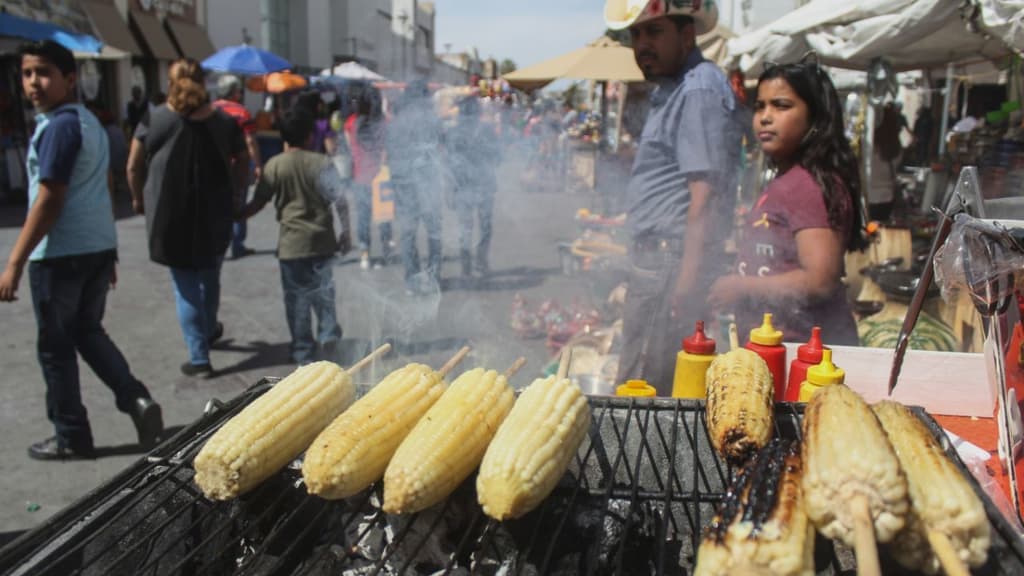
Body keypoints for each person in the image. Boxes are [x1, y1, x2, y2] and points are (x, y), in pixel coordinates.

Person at [0, 41, 162, 460]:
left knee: (55, 347)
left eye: (44, 73)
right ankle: (137, 399)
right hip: (94, 248)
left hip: (59, 255)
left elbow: (50, 198)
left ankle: (72, 435)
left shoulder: (58, 127)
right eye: (27, 73)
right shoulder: (88, 121)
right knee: (88, 332)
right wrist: (108, 249)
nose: (33, 82)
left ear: (70, 79)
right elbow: (105, 186)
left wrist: (14, 263)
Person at [604, 0, 742, 394]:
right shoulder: (676, 86)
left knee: (643, 386)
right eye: (635, 35)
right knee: (642, 376)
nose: (641, 44)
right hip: (661, 260)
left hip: (671, 261)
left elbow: (705, 195)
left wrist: (685, 280)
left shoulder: (697, 87)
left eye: (654, 31)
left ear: (687, 35)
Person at [708, 59, 867, 346]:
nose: (765, 117)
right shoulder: (788, 179)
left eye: (781, 106)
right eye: (760, 106)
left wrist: (741, 287)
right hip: (779, 348)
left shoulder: (808, 185)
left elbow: (819, 280)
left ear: (815, 118)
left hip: (803, 357)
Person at [127, 59, 248, 378]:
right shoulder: (224, 121)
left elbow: (132, 165)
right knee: (210, 278)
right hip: (216, 214)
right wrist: (237, 193)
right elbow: (244, 157)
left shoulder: (155, 119)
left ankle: (199, 356)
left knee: (186, 289)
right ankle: (208, 330)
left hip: (170, 218)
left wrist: (139, 198)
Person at [240, 109, 343, 364]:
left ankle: (302, 351)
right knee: (324, 293)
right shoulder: (322, 162)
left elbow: (258, 203)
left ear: (284, 138)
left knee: (297, 300)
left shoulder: (275, 165)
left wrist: (235, 216)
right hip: (322, 241)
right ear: (309, 137)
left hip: (292, 245)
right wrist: (348, 231)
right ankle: (329, 337)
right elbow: (340, 200)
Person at [385, 80, 444, 294]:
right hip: (427, 182)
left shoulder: (394, 124)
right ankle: (434, 276)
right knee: (434, 231)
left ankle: (412, 281)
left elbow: (389, 156)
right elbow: (441, 150)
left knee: (408, 232)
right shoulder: (431, 121)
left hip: (403, 183)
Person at [446, 96, 501, 277]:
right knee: (485, 226)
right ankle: (481, 262)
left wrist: (449, 190)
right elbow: (498, 157)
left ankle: (465, 265)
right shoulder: (487, 130)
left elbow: (448, 163)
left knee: (465, 228)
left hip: (462, 186)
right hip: (484, 184)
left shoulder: (453, 132)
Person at [211, 74, 262, 259]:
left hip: (215, 165)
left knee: (217, 204)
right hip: (237, 166)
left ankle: (219, 243)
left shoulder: (209, 110)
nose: (240, 93)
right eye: (239, 90)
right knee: (239, 201)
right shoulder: (241, 112)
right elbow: (250, 141)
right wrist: (257, 164)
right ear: (234, 92)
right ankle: (237, 244)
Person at [345, 95, 392, 270]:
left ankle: (365, 254)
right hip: (379, 176)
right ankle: (386, 250)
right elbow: (387, 151)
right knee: (384, 216)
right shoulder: (382, 124)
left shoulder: (351, 123)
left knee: (363, 217)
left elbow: (350, 148)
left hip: (360, 176)